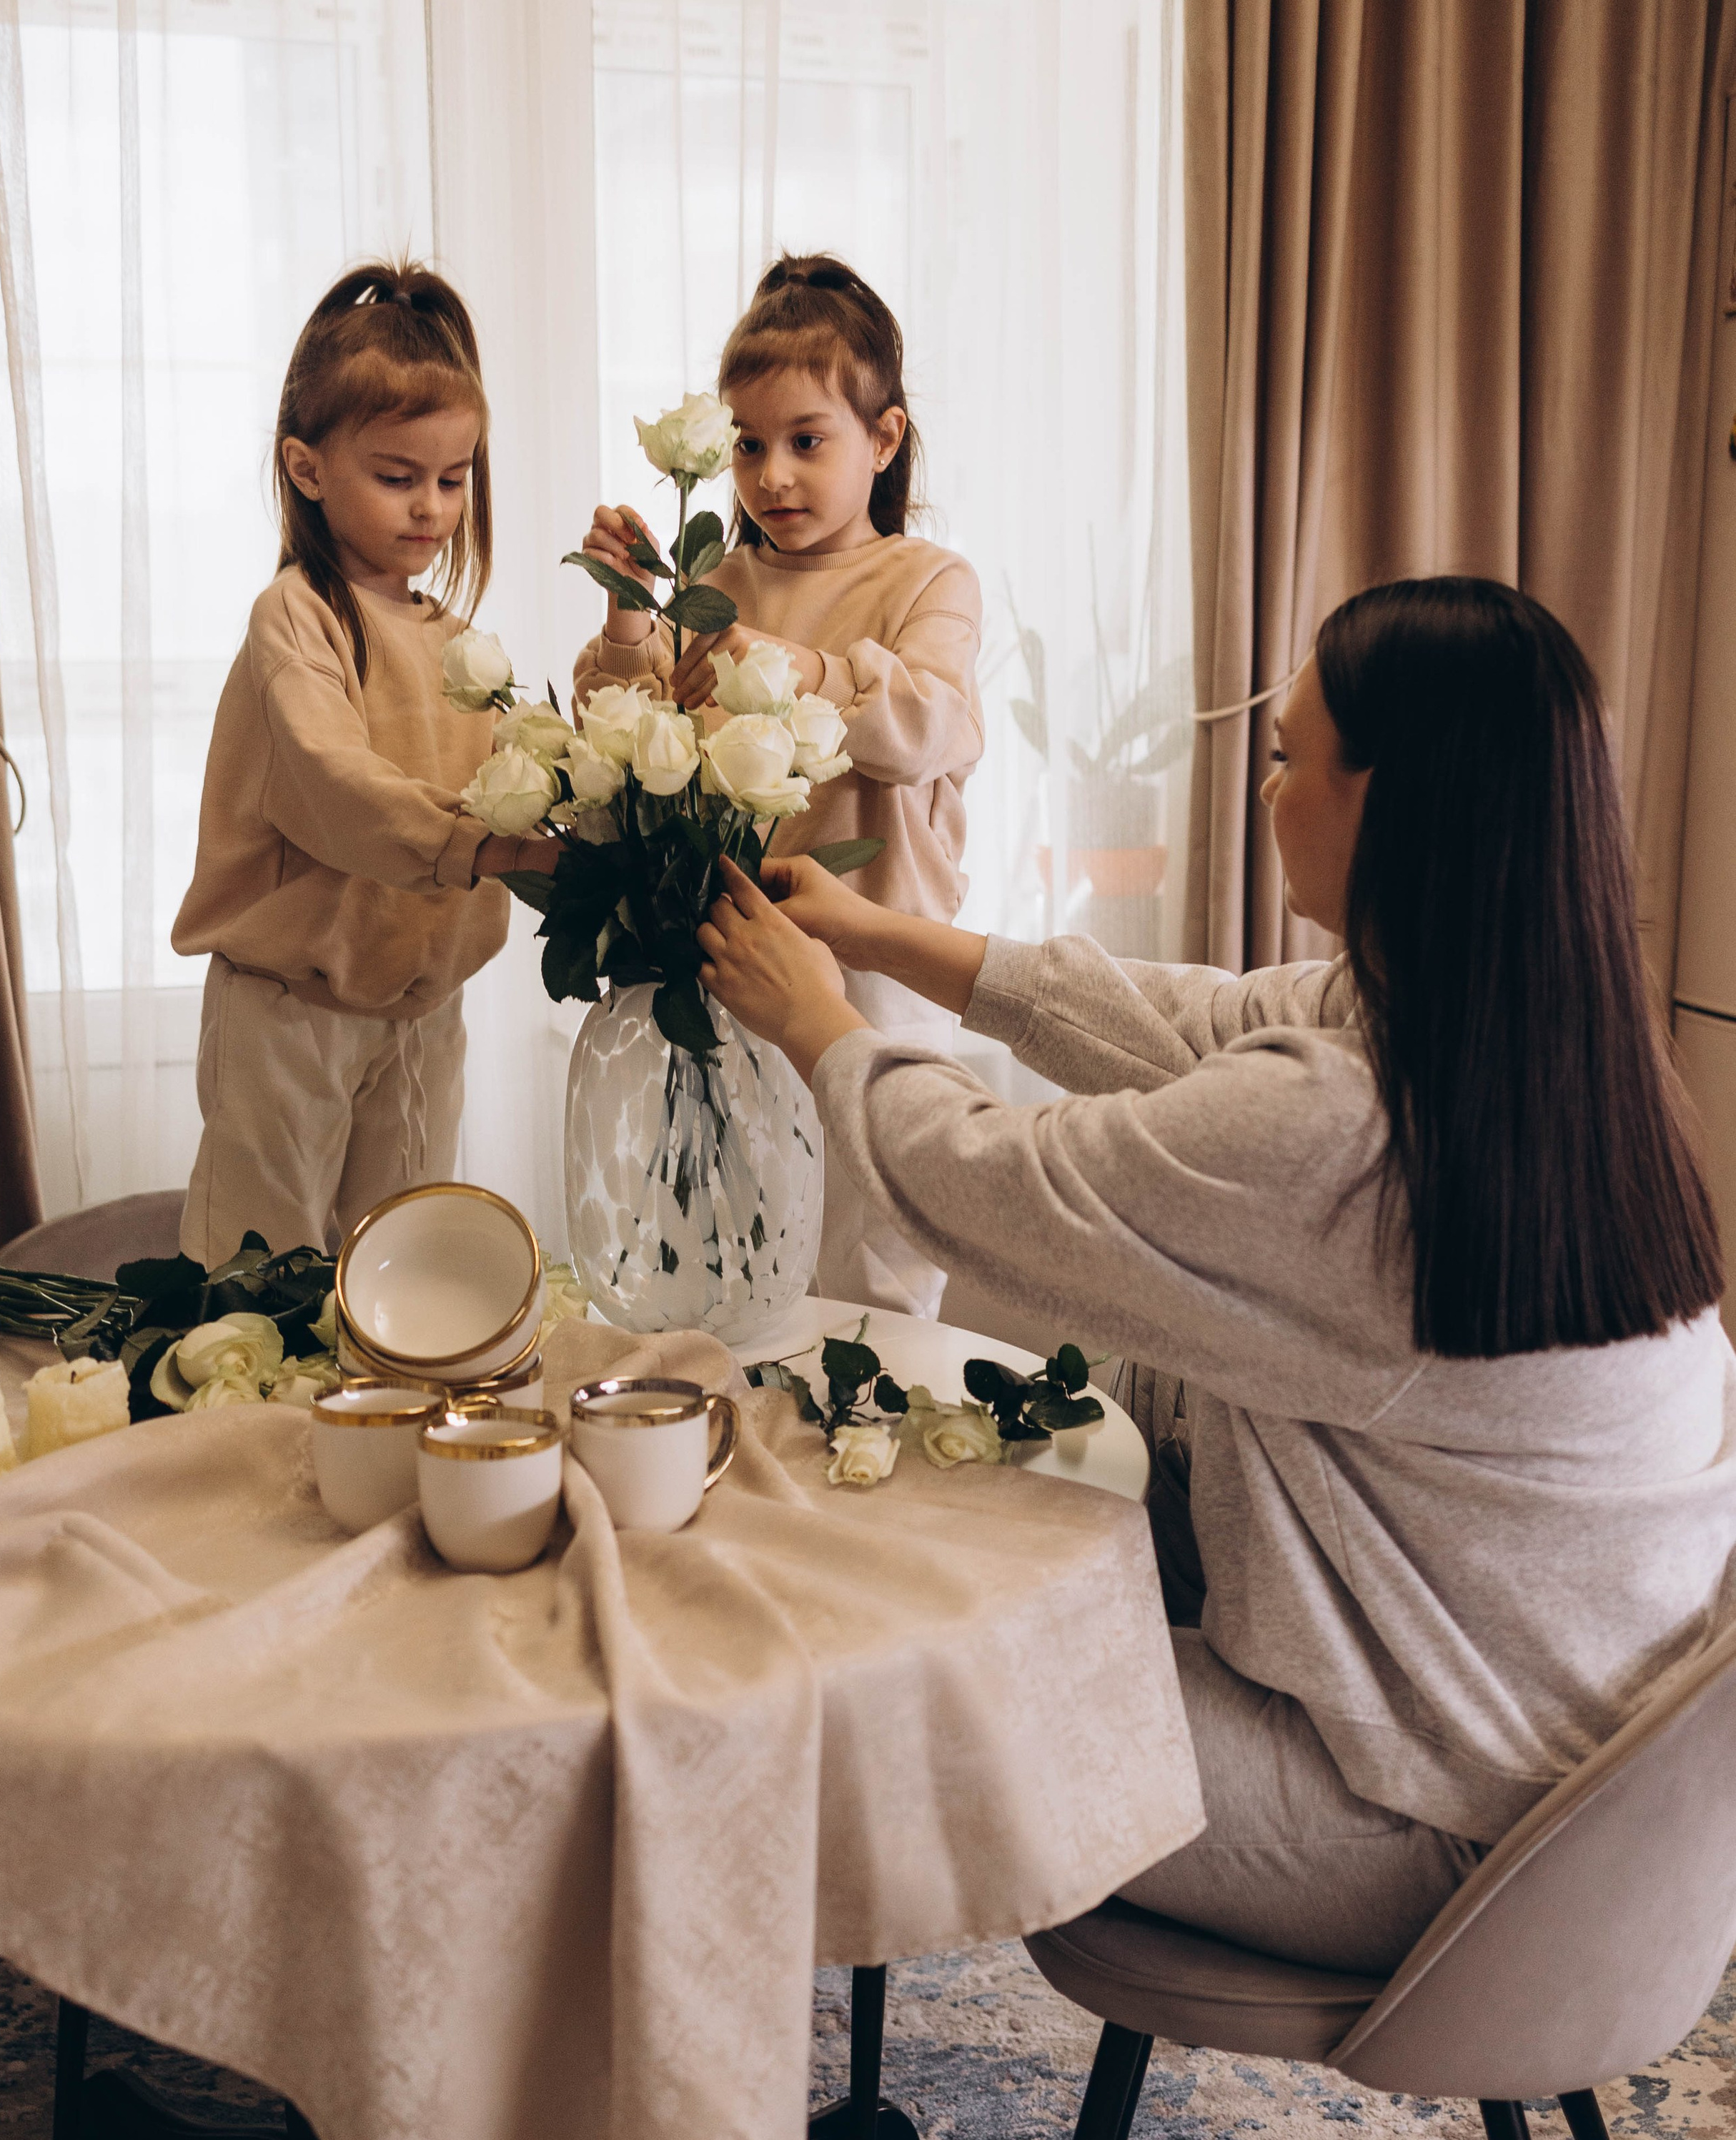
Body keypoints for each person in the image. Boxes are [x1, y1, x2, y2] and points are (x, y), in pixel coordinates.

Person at [694, 575, 1736, 1976]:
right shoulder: (1526, 1036)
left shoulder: (1354, 1131)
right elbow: (1181, 1025)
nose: (1263, 785)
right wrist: (876, 937)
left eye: (1289, 755)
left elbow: (997, 1190)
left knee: (877, 1682)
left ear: (1393, 801)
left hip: (1438, 1813)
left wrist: (819, 1028)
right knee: (978, 1493)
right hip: (1573, 1752)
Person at [571, 253, 983, 1318]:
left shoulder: (925, 580)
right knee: (742, 1228)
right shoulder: (720, 580)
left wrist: (806, 669)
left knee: (879, 1241)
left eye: (808, 441)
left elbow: (938, 723)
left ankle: (869, 1441)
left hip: (886, 960)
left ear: (883, 438)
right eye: (749, 444)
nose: (773, 476)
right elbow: (628, 739)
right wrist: (627, 616)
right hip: (744, 957)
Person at [174, 261, 542, 1267]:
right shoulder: (296, 617)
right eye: (397, 477)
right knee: (256, 1266)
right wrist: (489, 848)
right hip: (291, 1007)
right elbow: (331, 781)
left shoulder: (460, 642)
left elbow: (533, 773)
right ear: (306, 467)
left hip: (423, 1009)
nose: (431, 508)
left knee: (412, 1263)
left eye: (453, 479)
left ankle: (383, 1427)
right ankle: (248, 1429)